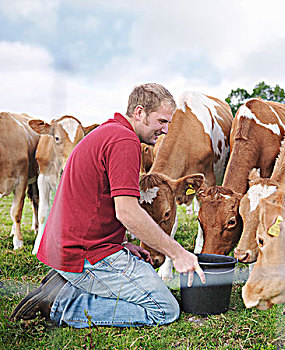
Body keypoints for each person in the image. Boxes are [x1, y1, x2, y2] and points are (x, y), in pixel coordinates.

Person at [11, 83, 205, 327]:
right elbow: (127, 211)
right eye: (162, 121)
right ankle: (61, 302)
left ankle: (65, 284)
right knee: (164, 309)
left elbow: (96, 202)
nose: (166, 130)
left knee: (145, 280)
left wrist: (122, 244)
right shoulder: (124, 141)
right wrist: (177, 253)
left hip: (75, 248)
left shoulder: (108, 132)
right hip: (84, 255)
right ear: (139, 113)